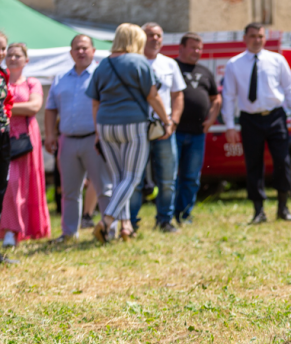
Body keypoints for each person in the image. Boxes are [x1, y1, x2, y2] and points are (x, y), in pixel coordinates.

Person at [86, 23, 173, 242]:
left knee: (118, 178)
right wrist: (167, 120)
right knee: (132, 177)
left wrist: (98, 131)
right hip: (133, 123)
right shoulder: (139, 62)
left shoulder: (103, 65)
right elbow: (153, 96)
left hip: (105, 125)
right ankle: (106, 221)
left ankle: (125, 227)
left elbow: (95, 102)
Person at [222, 23, 291, 223]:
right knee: (254, 164)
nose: (256, 40)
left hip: (275, 117)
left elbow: (290, 87)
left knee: (282, 162)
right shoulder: (234, 64)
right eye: (252, 36)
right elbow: (229, 96)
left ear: (265, 38)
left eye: (260, 36)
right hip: (250, 119)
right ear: (245, 38)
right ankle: (258, 211)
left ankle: (283, 207)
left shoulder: (277, 60)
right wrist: (229, 125)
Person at [44, 35, 113, 242]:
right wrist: (50, 135)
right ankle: (69, 233)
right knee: (69, 191)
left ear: (93, 51)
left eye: (85, 48)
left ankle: (108, 229)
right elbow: (50, 109)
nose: (81, 52)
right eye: (77, 48)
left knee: (103, 188)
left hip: (95, 140)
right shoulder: (60, 78)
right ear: (71, 53)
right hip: (68, 141)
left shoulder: (102, 76)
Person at [127, 23, 185, 233]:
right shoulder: (132, 63)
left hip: (164, 128)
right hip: (137, 127)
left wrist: (173, 121)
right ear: (141, 38)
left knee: (168, 178)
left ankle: (165, 220)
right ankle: (131, 223)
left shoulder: (169, 64)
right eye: (150, 35)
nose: (155, 39)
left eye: (158, 35)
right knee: (135, 180)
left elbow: (178, 95)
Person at [0, 43, 50, 247]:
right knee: (7, 186)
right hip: (5, 135)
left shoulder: (31, 82)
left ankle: (13, 231)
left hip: (23, 140)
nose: (12, 58)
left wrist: (5, 106)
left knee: (16, 186)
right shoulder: (3, 78)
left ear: (26, 60)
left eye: (17, 55)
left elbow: (34, 106)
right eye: (9, 54)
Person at [173, 32, 221, 224]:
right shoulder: (172, 67)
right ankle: (167, 215)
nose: (197, 51)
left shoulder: (205, 71)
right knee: (171, 177)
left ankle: (184, 214)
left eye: (199, 48)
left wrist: (211, 120)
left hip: (197, 134)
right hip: (173, 132)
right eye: (193, 47)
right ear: (181, 48)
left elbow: (215, 98)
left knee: (191, 178)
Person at [0, 33, 15, 261]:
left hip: (2, 136)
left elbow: (7, 102)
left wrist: (7, 119)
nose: (1, 53)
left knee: (0, 190)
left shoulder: (4, 74)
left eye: (3, 48)